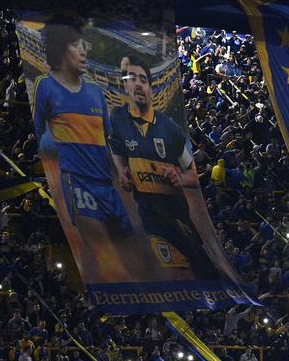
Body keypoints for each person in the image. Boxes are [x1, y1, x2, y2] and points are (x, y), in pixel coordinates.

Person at [32, 15, 135, 276]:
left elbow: (110, 138)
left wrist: (121, 171)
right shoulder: (46, 87)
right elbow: (36, 132)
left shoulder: (95, 92)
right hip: (77, 182)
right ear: (60, 48)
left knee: (130, 253)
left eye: (84, 44)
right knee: (102, 250)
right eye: (76, 44)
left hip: (107, 185)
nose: (83, 50)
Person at [109, 54, 223, 276]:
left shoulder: (169, 128)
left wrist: (179, 177)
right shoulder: (119, 118)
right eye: (132, 79)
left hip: (177, 213)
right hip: (149, 215)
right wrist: (122, 172)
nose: (138, 84)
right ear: (126, 87)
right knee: (174, 270)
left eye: (143, 80)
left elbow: (193, 175)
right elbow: (117, 149)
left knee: (200, 267)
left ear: (151, 89)